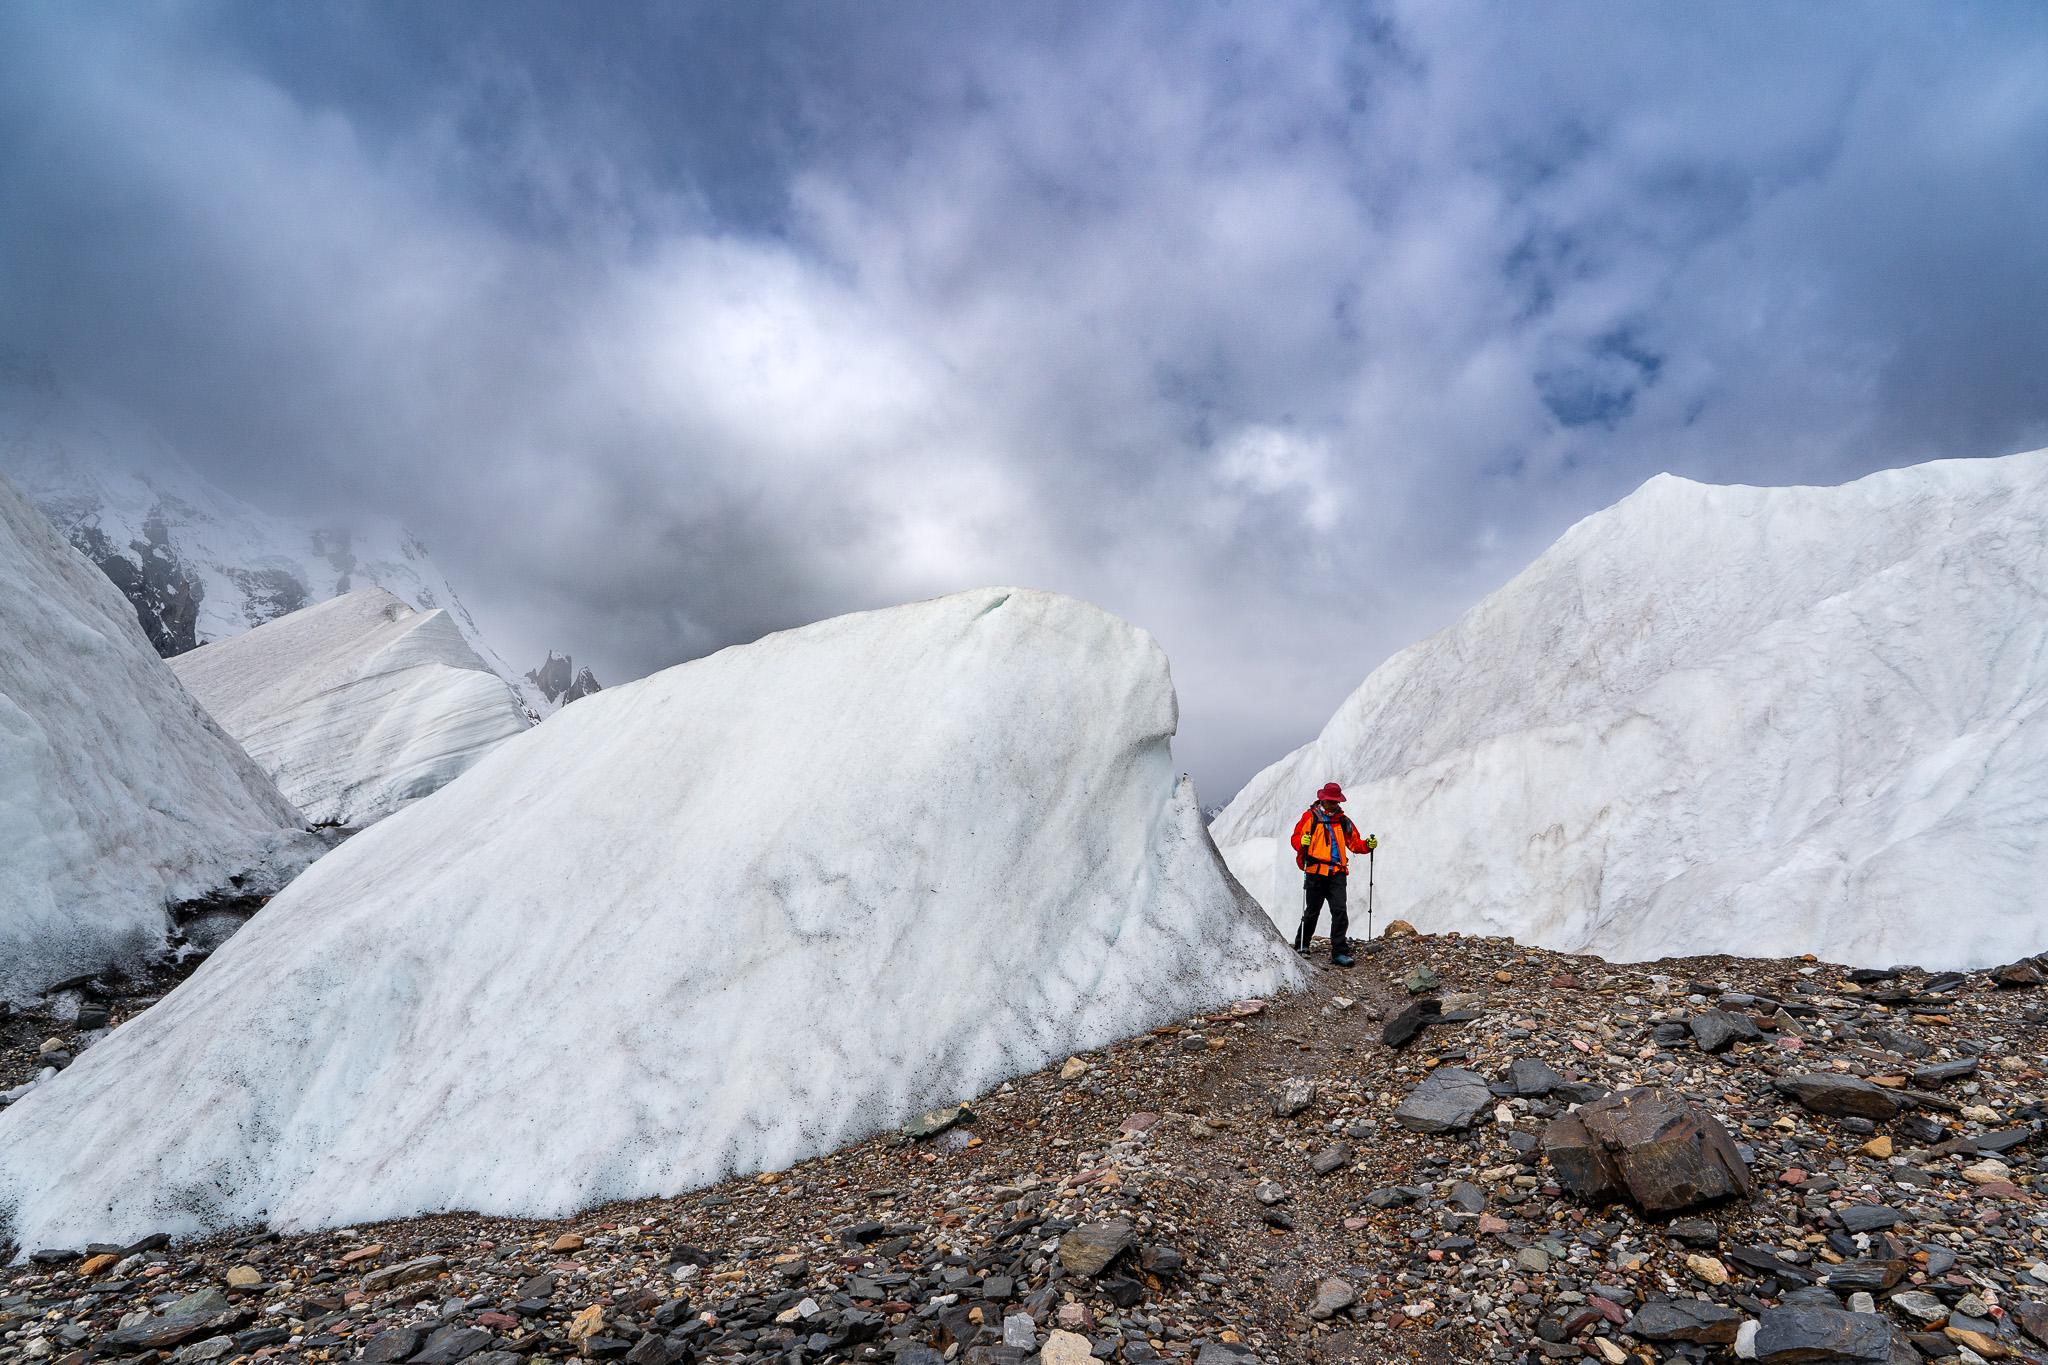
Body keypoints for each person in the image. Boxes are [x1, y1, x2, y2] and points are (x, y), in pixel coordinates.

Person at [1291, 782, 1375, 967]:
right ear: (1323, 799)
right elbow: (1296, 838)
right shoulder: (1310, 817)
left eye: (1336, 802)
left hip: (1336, 872)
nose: (1334, 805)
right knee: (1313, 911)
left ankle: (1339, 951)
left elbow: (1354, 844)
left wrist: (1367, 846)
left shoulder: (1343, 821)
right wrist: (1301, 842)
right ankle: (1302, 944)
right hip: (1315, 871)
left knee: (1339, 911)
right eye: (1331, 801)